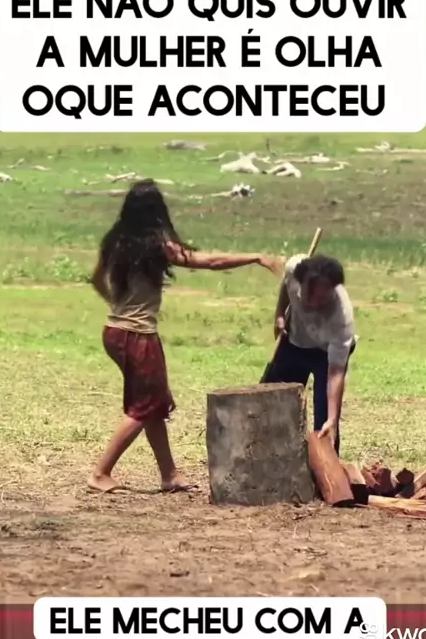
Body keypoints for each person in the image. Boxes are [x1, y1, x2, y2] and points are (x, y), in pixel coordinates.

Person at [89, 179, 281, 493]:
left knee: (153, 404)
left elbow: (96, 279)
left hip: (114, 332)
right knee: (144, 406)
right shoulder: (157, 245)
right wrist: (255, 257)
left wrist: (115, 303)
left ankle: (169, 474)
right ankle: (101, 472)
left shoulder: (114, 241)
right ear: (157, 212)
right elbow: (210, 262)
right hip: (138, 336)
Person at [263, 253, 356, 455]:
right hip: (295, 344)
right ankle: (276, 458)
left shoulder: (342, 318)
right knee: (275, 403)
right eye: (308, 295)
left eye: (321, 299)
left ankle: (325, 467)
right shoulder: (293, 269)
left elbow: (336, 372)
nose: (313, 304)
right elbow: (286, 286)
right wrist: (280, 314)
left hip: (326, 355)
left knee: (325, 420)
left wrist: (332, 419)